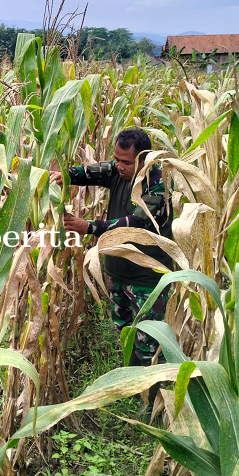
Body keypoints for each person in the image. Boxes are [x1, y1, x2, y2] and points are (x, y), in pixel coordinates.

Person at [50, 128, 173, 368]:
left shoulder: (158, 185)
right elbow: (89, 172)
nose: (118, 166)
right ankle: (131, 382)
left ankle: (152, 398)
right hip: (118, 275)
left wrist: (90, 227)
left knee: (149, 344)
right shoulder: (118, 171)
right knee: (126, 334)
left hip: (147, 280)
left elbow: (137, 222)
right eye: (116, 159)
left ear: (144, 158)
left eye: (125, 162)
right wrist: (63, 175)